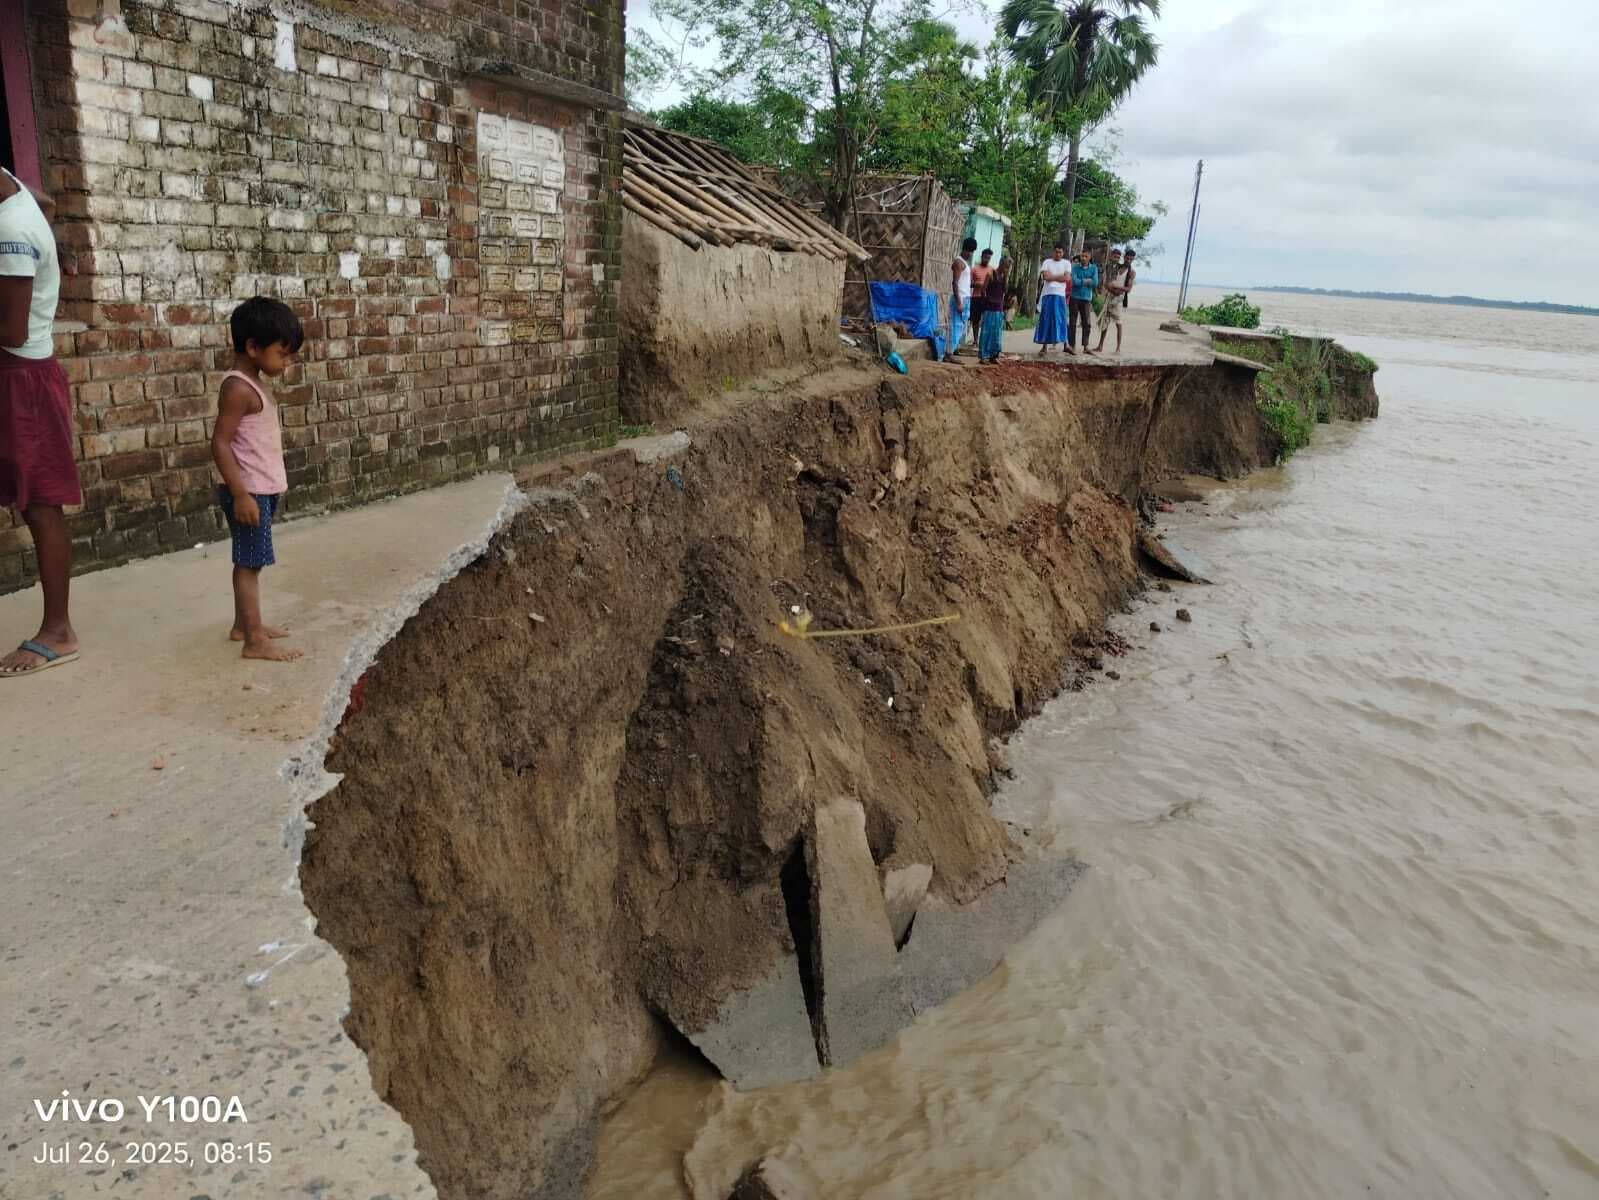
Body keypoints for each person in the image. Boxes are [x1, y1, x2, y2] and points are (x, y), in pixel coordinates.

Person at [0, 168, 79, 678]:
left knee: (41, 505)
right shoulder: (17, 192)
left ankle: (58, 630)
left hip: (21, 378)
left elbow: (11, 328)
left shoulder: (11, 229)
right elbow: (46, 202)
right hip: (18, 374)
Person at [213, 297, 305, 663]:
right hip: (247, 491)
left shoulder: (253, 383)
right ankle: (254, 641)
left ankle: (244, 626)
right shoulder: (238, 389)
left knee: (253, 560)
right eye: (282, 354)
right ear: (252, 347)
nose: (286, 363)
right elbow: (219, 443)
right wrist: (240, 494)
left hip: (259, 489)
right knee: (249, 564)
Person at [1034, 244, 1071, 355]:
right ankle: (1044, 346)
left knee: (1062, 319)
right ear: (1053, 252)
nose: (1058, 254)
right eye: (1056, 252)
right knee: (1046, 319)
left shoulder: (1066, 263)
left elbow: (1067, 278)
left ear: (1063, 253)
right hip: (1047, 294)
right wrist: (1059, 277)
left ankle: (1066, 344)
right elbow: (1045, 277)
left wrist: (1052, 277)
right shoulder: (1047, 262)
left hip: (1060, 295)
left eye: (1060, 252)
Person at [1095, 249, 1128, 355]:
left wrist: (1114, 289)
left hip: (1116, 298)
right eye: (1115, 256)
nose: (1116, 259)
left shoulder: (1120, 268)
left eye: (1118, 257)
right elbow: (1104, 282)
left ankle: (1118, 348)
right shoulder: (1107, 267)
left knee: (1118, 322)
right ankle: (1100, 345)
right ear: (1111, 256)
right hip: (1107, 296)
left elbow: (1117, 283)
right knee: (1105, 321)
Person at [949, 237, 977, 359]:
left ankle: (953, 349)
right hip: (959, 299)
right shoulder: (959, 263)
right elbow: (955, 283)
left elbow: (963, 282)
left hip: (965, 298)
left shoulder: (964, 263)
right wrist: (959, 302)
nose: (971, 254)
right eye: (969, 251)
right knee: (955, 326)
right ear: (964, 250)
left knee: (961, 326)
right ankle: (949, 353)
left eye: (972, 252)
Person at [978, 257, 1010, 364]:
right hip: (990, 308)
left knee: (997, 334)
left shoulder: (1003, 277)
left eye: (1008, 268)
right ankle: (983, 356)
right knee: (987, 333)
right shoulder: (990, 275)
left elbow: (1005, 290)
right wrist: (987, 300)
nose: (1007, 269)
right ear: (1001, 264)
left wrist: (1006, 277)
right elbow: (983, 290)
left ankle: (994, 356)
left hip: (999, 309)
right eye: (1006, 267)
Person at [1069, 248, 1099, 355]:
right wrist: (1087, 281)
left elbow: (1095, 282)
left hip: (1086, 298)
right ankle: (1072, 346)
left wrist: (1081, 281)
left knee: (1086, 323)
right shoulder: (1075, 267)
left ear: (1090, 257)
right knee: (1072, 322)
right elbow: (1074, 281)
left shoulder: (1094, 268)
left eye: (1086, 256)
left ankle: (1086, 346)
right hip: (1074, 297)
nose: (1084, 258)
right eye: (1082, 256)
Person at [969, 248, 994, 339]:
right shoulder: (974, 269)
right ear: (982, 257)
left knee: (986, 320)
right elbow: (969, 283)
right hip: (976, 297)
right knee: (975, 320)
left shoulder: (992, 270)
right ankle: (975, 340)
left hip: (987, 298)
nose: (987, 260)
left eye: (989, 258)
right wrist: (976, 284)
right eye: (985, 257)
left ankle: (984, 339)